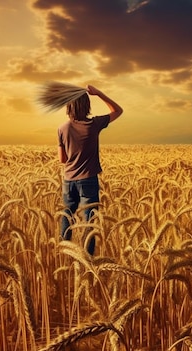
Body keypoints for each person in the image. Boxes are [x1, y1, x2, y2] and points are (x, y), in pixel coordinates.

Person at [58, 85, 123, 255]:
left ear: (69, 106)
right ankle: (88, 259)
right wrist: (99, 93)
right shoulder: (94, 124)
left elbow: (62, 160)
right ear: (86, 105)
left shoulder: (62, 129)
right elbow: (118, 110)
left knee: (67, 215)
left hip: (68, 180)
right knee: (89, 221)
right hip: (88, 180)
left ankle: (64, 252)